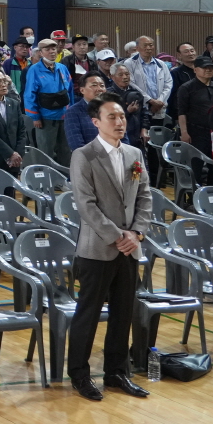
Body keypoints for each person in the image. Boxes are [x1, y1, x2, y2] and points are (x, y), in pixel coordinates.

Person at [67, 93, 152, 402]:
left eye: (122, 117)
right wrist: (118, 235)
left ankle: (116, 373)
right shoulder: (84, 155)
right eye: (112, 117)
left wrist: (137, 234)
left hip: (129, 247)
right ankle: (79, 374)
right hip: (97, 248)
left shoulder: (134, 154)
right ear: (96, 122)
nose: (119, 122)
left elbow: (145, 198)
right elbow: (86, 205)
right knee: (87, 313)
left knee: (123, 312)